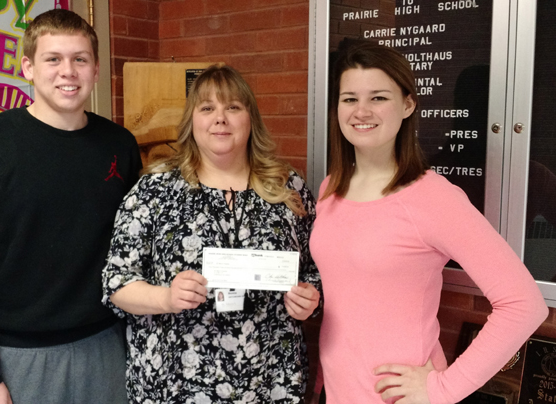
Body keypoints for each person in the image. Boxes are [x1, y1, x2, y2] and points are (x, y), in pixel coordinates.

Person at [310, 41, 548, 404]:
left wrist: (443, 389)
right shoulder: (330, 188)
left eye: (378, 97)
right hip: (339, 392)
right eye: (349, 99)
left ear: (408, 105)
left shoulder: (432, 197)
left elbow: (524, 303)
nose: (361, 111)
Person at [0, 9, 141, 404]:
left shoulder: (120, 144)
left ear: (96, 69)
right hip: (18, 356)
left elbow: (134, 247)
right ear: (28, 68)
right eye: (53, 59)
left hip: (107, 346)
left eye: (79, 59)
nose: (68, 71)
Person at [102, 65, 322, 403]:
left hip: (269, 382)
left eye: (233, 107)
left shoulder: (287, 188)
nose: (220, 118)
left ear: (251, 118)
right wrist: (166, 298)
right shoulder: (155, 190)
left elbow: (316, 270)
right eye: (207, 108)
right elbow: (117, 282)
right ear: (192, 121)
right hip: (176, 385)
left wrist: (310, 299)